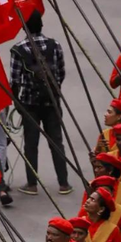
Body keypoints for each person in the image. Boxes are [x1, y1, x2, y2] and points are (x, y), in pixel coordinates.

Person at [10, 11, 72, 195]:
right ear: (42, 25)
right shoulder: (55, 45)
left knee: (31, 144)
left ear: (24, 28)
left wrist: (17, 104)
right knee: (56, 142)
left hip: (30, 103)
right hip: (52, 102)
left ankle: (32, 184)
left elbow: (15, 81)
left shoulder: (18, 50)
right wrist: (53, 90)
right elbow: (61, 72)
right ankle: (64, 183)